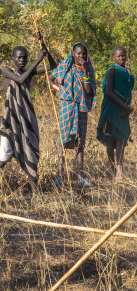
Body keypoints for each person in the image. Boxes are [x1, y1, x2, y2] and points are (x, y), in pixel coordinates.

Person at [0, 36, 57, 199]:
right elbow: (21, 79)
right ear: (12, 58)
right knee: (4, 156)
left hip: (26, 121)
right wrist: (37, 60)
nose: (22, 60)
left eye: (25, 58)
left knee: (31, 153)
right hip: (10, 121)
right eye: (19, 57)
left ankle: (35, 195)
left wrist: (44, 49)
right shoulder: (7, 71)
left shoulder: (29, 72)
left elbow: (53, 66)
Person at [48, 42, 96, 186]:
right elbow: (50, 79)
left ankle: (80, 177)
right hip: (67, 107)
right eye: (78, 53)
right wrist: (60, 90)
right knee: (63, 141)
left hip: (81, 109)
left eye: (84, 54)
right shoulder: (65, 67)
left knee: (80, 143)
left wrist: (85, 71)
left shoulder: (88, 69)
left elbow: (89, 91)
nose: (81, 56)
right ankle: (59, 176)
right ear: (73, 54)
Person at [96, 46, 134, 182]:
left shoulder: (129, 74)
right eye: (118, 56)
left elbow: (128, 94)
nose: (121, 58)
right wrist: (124, 106)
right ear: (114, 58)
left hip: (122, 111)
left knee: (121, 140)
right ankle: (112, 170)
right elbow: (109, 92)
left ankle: (119, 172)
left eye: (123, 55)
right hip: (112, 109)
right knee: (110, 139)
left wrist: (127, 108)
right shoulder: (112, 70)